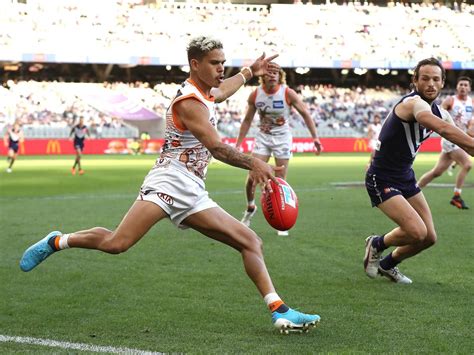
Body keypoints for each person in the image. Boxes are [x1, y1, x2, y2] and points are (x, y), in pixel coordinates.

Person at [20, 36, 320, 333]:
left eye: (223, 63)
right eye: (215, 63)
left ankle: (281, 312)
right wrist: (253, 162)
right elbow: (216, 147)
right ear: (195, 64)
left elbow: (223, 90)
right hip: (167, 182)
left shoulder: (206, 92)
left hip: (192, 189)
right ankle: (57, 241)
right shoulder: (189, 102)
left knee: (250, 242)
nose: (220, 69)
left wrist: (248, 72)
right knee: (117, 243)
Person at [363, 58, 474, 284]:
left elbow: (459, 138)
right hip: (381, 177)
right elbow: (441, 127)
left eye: (436, 79)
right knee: (416, 232)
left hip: (405, 177)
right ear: (415, 81)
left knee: (429, 237)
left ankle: (388, 264)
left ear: (443, 82)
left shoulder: (441, 113)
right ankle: (376, 244)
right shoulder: (414, 104)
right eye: (425, 78)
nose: (430, 84)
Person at [235, 66, 322, 236]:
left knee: (280, 179)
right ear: (263, 77)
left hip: (282, 138)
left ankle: (280, 217)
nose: (272, 76)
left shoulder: (287, 93)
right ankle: (250, 207)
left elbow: (305, 113)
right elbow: (247, 120)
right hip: (263, 138)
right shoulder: (255, 94)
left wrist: (315, 138)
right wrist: (238, 143)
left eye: (275, 73)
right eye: (269, 73)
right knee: (252, 176)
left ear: (280, 76)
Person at [417, 76, 473, 209]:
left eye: (466, 85)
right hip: (451, 138)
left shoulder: (471, 102)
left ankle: (412, 191)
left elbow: (471, 123)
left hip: (461, 137)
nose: (463, 87)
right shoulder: (451, 100)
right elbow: (438, 113)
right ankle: (456, 196)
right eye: (461, 85)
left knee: (436, 172)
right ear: (457, 87)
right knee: (467, 164)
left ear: (470, 88)